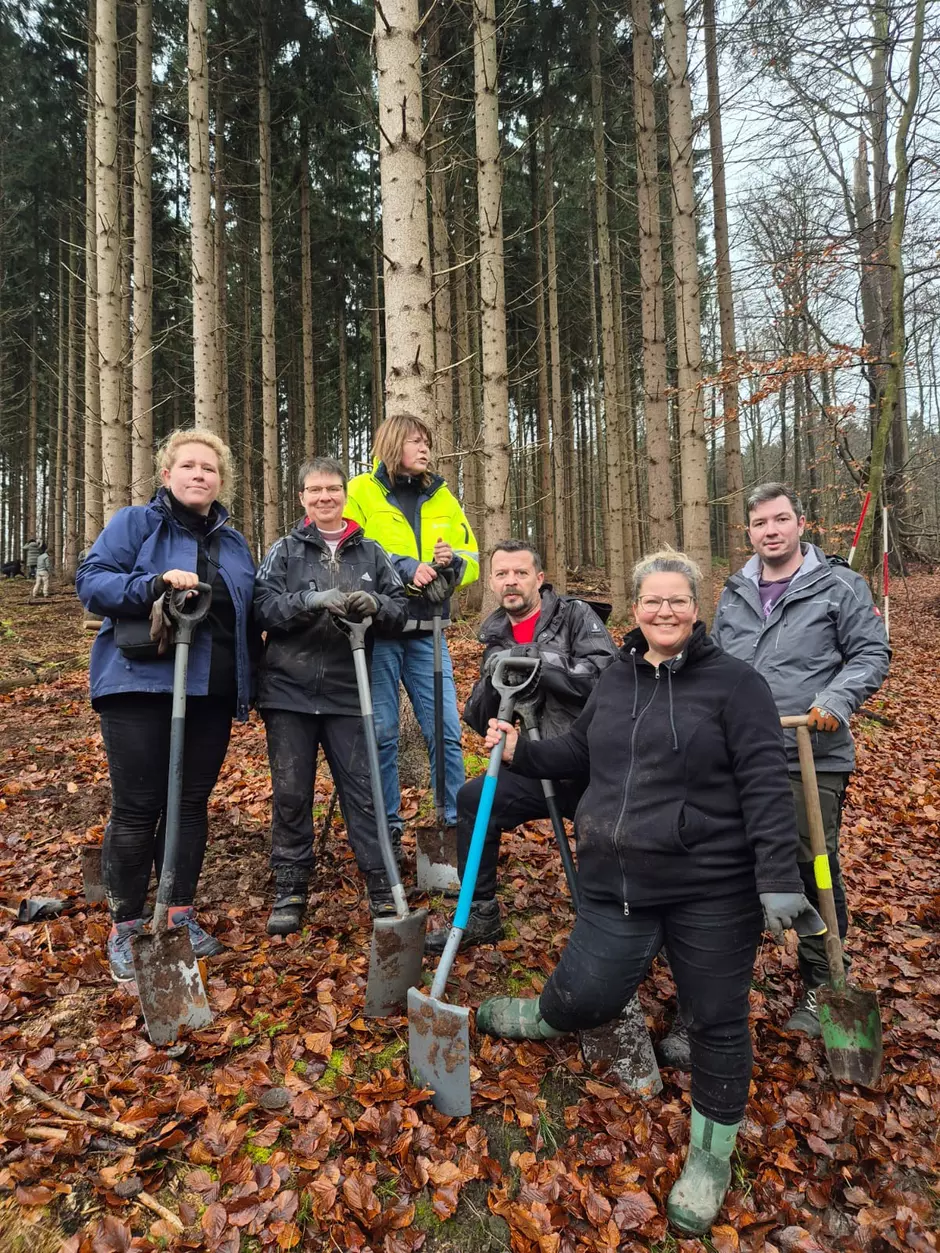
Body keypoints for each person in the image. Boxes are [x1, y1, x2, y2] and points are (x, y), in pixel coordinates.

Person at [475, 550, 819, 1235]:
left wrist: (779, 880)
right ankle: (546, 1013)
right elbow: (578, 753)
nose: (665, 611)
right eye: (653, 600)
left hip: (711, 888)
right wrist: (518, 751)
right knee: (585, 996)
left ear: (699, 606)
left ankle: (711, 1156)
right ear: (635, 610)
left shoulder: (736, 685)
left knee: (717, 1017)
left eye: (678, 599)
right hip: (617, 881)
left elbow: (765, 788)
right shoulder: (616, 678)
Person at [76, 430, 256, 983]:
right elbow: (92, 582)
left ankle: (179, 914)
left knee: (190, 802)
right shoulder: (136, 523)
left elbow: (255, 609)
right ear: (167, 475)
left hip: (210, 689)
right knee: (139, 805)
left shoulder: (235, 543)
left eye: (210, 469)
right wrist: (154, 584)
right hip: (139, 683)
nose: (200, 475)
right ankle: (127, 925)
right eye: (190, 466)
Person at [711, 482, 890, 1037]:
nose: (771, 531)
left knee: (811, 864)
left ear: (800, 523)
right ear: (749, 531)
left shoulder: (839, 585)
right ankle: (725, 976)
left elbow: (870, 652)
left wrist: (836, 699)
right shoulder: (734, 591)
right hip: (737, 753)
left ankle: (824, 979)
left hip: (809, 752)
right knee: (727, 861)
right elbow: (714, 662)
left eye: (780, 520)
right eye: (761, 523)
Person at [425, 539, 617, 952]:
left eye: (521, 573)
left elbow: (603, 677)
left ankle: (608, 923)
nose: (511, 582)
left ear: (540, 579)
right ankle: (481, 913)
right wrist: (495, 684)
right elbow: (479, 719)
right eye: (502, 574)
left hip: (591, 765)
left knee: (604, 835)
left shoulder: (576, 616)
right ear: (492, 583)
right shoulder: (495, 634)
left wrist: (534, 658)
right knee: (475, 800)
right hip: (532, 762)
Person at [254, 457, 409, 932]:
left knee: (363, 792)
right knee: (292, 792)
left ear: (345, 494)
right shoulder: (284, 551)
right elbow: (262, 609)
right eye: (315, 490)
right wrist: (309, 601)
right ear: (302, 497)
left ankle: (382, 886)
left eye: (333, 489)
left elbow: (401, 610)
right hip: (288, 691)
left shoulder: (372, 552)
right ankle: (290, 886)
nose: (325, 497)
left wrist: (377, 605)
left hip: (350, 690)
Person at [345, 415, 479, 850]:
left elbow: (471, 556)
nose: (424, 449)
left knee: (444, 728)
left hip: (429, 628)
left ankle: (454, 821)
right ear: (392, 444)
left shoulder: (442, 496)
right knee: (382, 732)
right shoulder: (361, 491)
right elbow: (350, 550)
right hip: (381, 630)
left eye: (427, 442)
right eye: (415, 442)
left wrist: (451, 564)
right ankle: (387, 827)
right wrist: (403, 568)